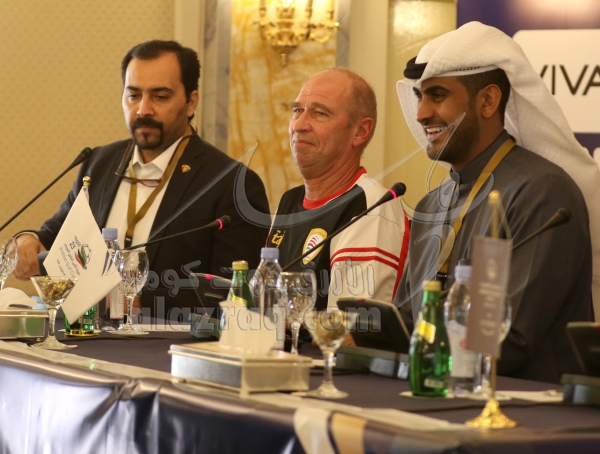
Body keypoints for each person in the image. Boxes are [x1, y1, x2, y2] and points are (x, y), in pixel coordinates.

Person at [394, 22, 600, 383]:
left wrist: (414, 347)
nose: (421, 113)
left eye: (437, 95)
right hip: (440, 391)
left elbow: (510, 338)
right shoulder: (430, 205)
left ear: (488, 101)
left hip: (528, 407)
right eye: (419, 97)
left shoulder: (542, 192)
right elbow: (406, 321)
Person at [13, 40, 270, 317]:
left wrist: (138, 298)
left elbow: (236, 292)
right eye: (133, 95)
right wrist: (28, 240)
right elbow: (56, 235)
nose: (143, 109)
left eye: (160, 97)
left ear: (191, 102)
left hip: (169, 340)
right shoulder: (99, 162)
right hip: (88, 336)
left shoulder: (232, 183)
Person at [267, 68, 410, 310]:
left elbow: (349, 324)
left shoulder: (370, 207)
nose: (299, 125)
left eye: (320, 113)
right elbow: (266, 301)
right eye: (297, 110)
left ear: (360, 131)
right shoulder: (290, 200)